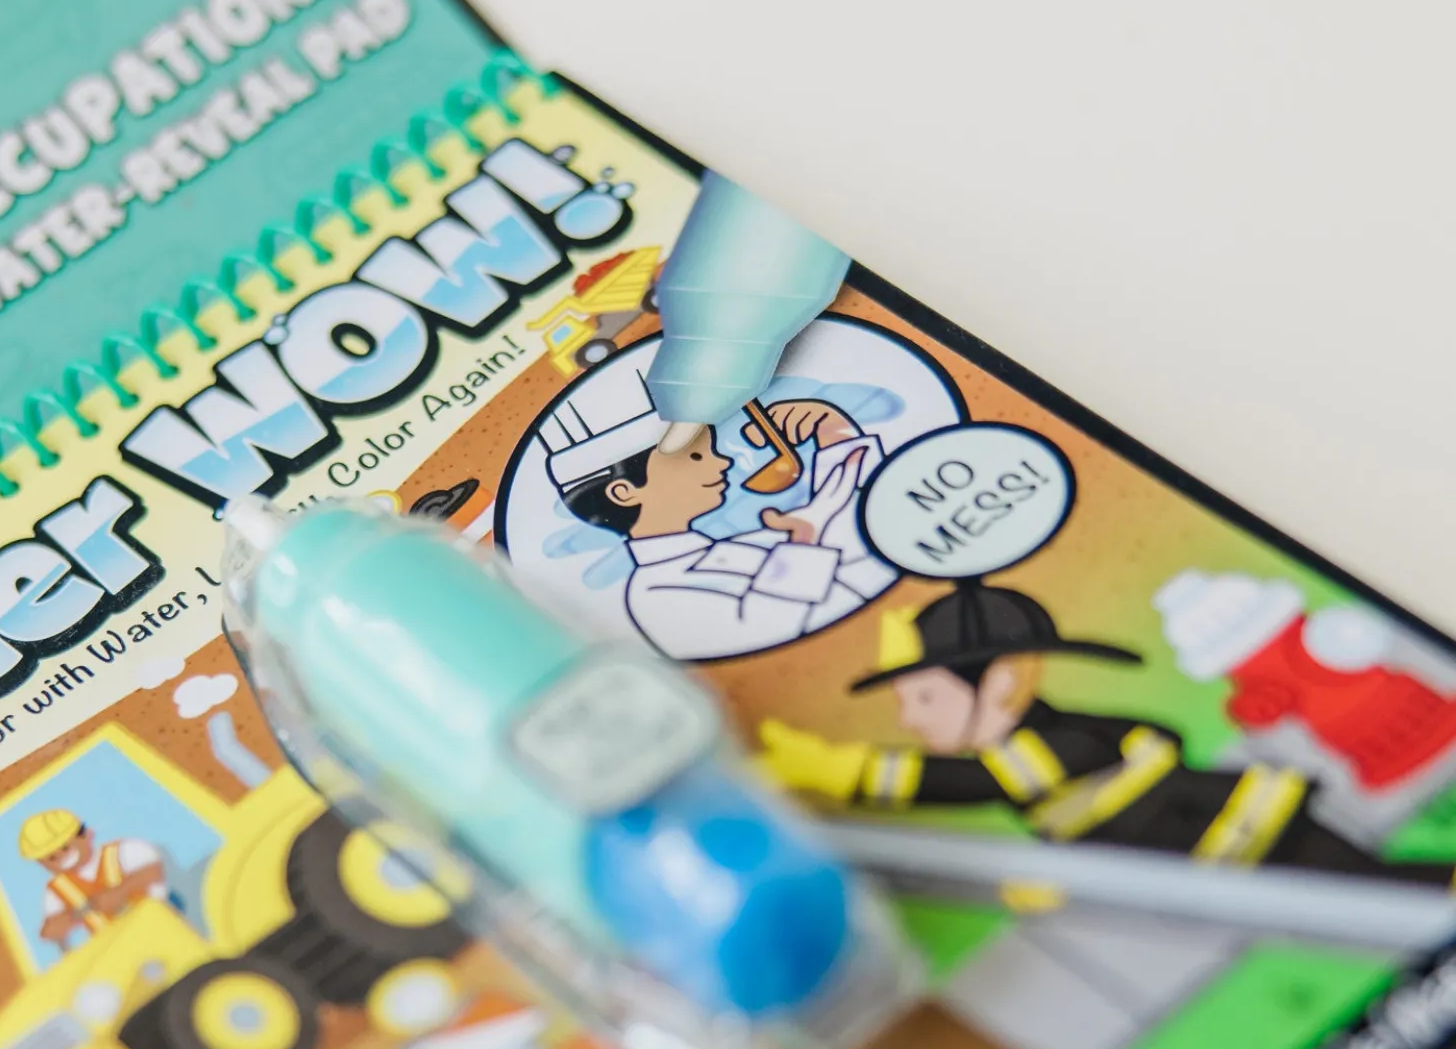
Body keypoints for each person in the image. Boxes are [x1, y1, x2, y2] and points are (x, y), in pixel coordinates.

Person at [761, 582, 1456, 883]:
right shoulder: (1049, 749)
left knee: (1377, 891)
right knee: (1371, 899)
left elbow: (962, 782)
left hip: (1251, 829)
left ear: (1001, 684)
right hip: (1227, 845)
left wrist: (843, 771)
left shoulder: (1041, 751)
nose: (910, 719)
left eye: (924, 697)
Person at [542, 352, 889, 660]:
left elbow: (866, 535)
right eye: (696, 456)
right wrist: (802, 542)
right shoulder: (653, 594)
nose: (724, 463)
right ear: (624, 492)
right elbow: (767, 629)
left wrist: (834, 433)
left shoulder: (746, 544)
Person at [18, 807, 170, 946]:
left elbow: (155, 870)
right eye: (51, 858)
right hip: (115, 947)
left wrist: (122, 891)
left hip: (158, 928)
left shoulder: (123, 850)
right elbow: (48, 931)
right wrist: (70, 919)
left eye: (65, 848)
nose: (61, 859)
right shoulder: (57, 889)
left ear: (86, 835)